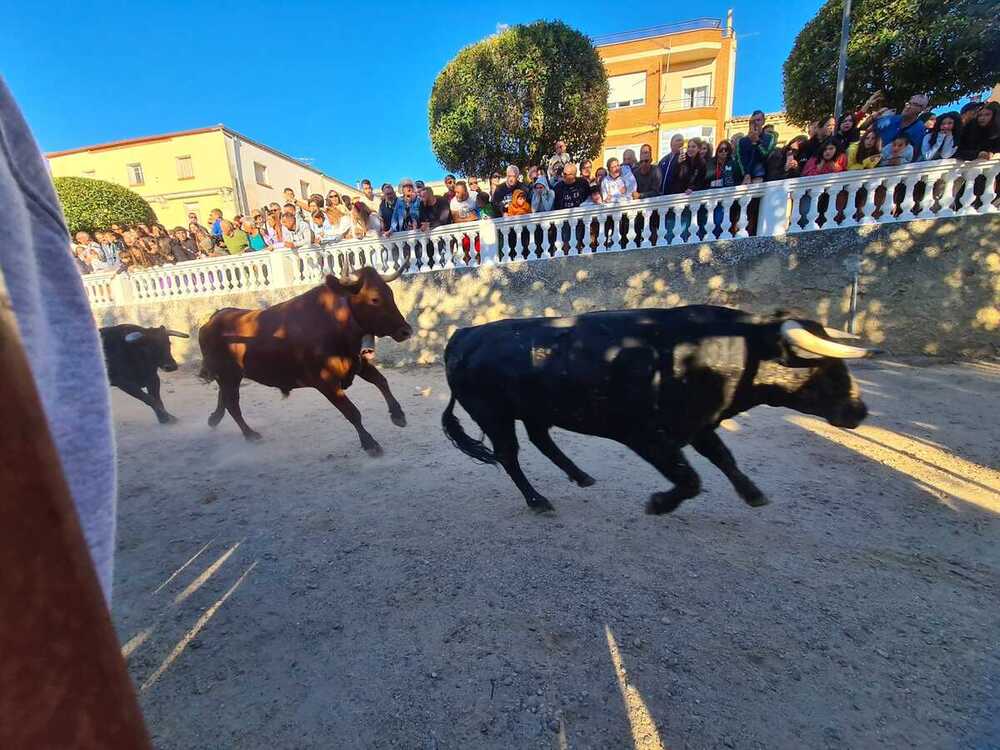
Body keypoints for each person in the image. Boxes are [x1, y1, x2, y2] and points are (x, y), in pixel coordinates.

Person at [864, 94, 929, 157]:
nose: (908, 106)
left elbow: (915, 154)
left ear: (922, 109)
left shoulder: (919, 129)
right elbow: (864, 129)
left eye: (914, 104)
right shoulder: (888, 119)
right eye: (909, 103)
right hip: (871, 162)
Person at [736, 111, 777, 184]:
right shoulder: (742, 141)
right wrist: (746, 174)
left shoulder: (770, 137)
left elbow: (766, 154)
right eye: (753, 121)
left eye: (758, 120)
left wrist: (757, 141)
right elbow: (740, 160)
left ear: (763, 121)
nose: (755, 123)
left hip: (765, 177)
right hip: (746, 179)